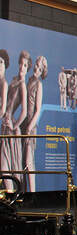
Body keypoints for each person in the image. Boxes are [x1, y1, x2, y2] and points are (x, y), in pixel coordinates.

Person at [1, 51, 30, 190]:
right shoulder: (13, 80)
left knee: (9, 167)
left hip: (12, 130)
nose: (21, 67)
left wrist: (14, 126)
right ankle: (10, 198)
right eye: (20, 63)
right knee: (5, 167)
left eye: (25, 65)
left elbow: (24, 112)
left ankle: (11, 198)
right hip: (5, 126)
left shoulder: (23, 86)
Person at [21, 56, 47, 192]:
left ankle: (32, 192)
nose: (36, 69)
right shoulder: (29, 80)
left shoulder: (39, 85)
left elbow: (38, 110)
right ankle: (24, 190)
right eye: (36, 66)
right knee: (21, 161)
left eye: (40, 68)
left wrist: (30, 127)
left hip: (31, 126)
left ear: (42, 71)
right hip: (24, 123)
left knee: (28, 161)